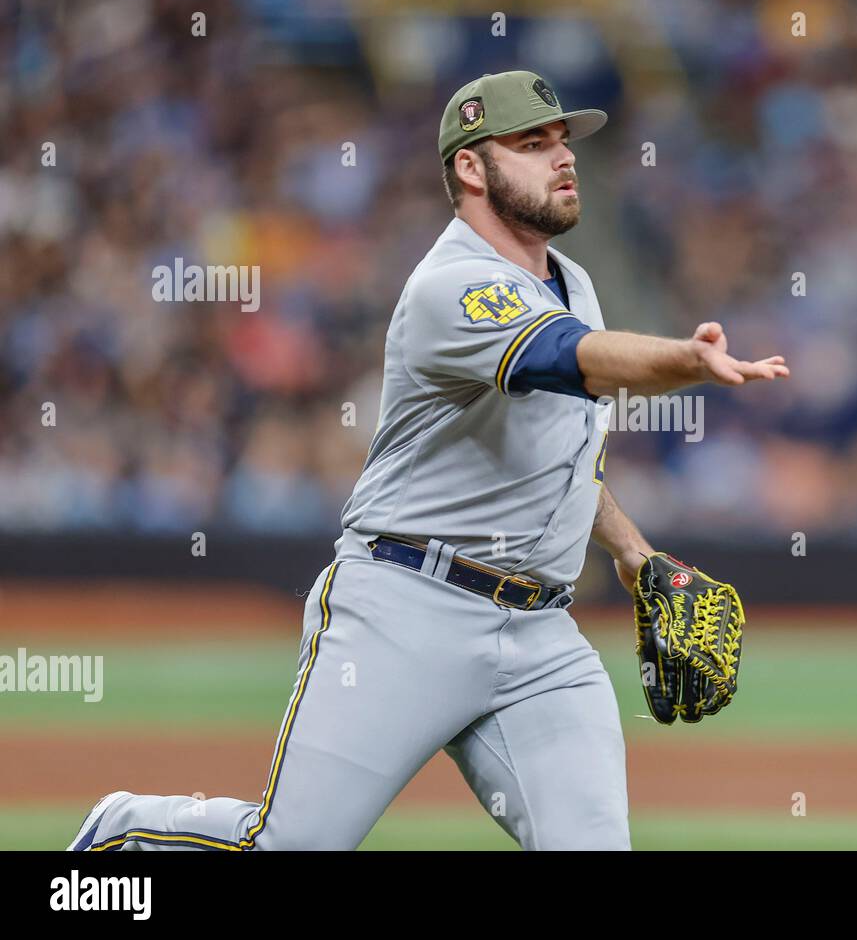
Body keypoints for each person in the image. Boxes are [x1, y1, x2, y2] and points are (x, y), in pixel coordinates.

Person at [69, 70, 788, 852]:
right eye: (531, 143)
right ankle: (122, 831)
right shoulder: (453, 286)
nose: (563, 158)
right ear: (471, 169)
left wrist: (632, 551)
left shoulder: (573, 284)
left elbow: (562, 452)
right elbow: (569, 360)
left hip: (541, 635)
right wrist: (686, 357)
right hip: (407, 608)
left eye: (562, 141)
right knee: (286, 846)